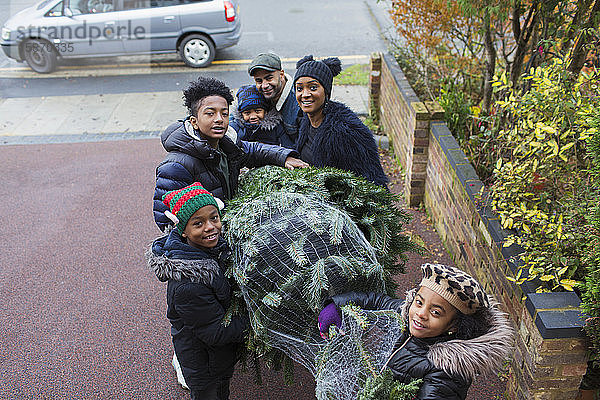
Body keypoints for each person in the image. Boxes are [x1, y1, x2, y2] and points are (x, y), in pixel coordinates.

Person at [318, 263, 514, 400]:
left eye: (436, 312)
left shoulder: (446, 371)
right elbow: (377, 301)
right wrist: (336, 306)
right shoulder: (406, 317)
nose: (420, 314)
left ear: (454, 326)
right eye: (419, 302)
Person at [153, 76, 307, 232]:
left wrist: (284, 157)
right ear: (194, 121)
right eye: (210, 114)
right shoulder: (175, 166)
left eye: (224, 114)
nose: (219, 119)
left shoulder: (226, 145)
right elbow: (165, 220)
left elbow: (252, 150)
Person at [147, 183, 248, 400]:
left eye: (214, 218)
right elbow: (216, 331)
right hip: (204, 364)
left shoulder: (211, 250)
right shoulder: (188, 284)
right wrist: (255, 320)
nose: (210, 227)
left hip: (215, 359)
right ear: (183, 230)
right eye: (198, 223)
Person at [293, 55, 389, 187]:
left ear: (326, 92)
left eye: (313, 88)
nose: (305, 94)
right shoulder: (306, 120)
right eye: (299, 88)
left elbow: (370, 180)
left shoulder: (346, 130)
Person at [248, 52, 300, 148]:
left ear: (281, 74)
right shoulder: (254, 94)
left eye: (269, 78)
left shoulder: (298, 102)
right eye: (259, 81)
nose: (264, 85)